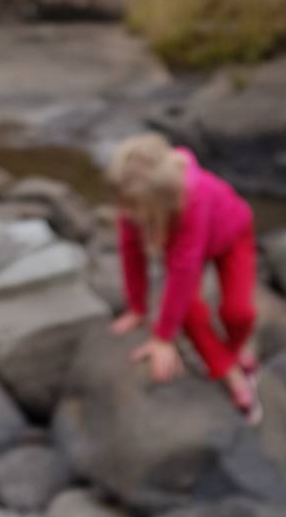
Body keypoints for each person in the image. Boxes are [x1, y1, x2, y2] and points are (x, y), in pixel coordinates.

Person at [107, 132, 262, 423]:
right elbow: (131, 253)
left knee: (238, 313)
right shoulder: (133, 199)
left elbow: (183, 273)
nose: (126, 214)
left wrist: (163, 338)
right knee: (189, 313)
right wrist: (137, 308)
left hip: (231, 234)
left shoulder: (195, 196)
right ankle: (231, 373)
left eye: (134, 211)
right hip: (180, 239)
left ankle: (237, 348)